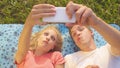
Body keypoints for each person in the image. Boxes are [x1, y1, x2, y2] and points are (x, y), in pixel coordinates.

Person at [64, 1, 120, 68]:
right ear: (75, 42)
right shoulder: (70, 58)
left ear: (91, 32)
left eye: (81, 29)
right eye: (74, 34)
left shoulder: (108, 49)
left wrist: (96, 22)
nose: (77, 33)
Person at [14, 4, 65, 68]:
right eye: (46, 34)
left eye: (53, 38)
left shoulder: (56, 56)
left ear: (53, 46)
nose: (48, 37)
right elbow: (21, 53)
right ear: (37, 38)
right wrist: (29, 23)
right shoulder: (26, 54)